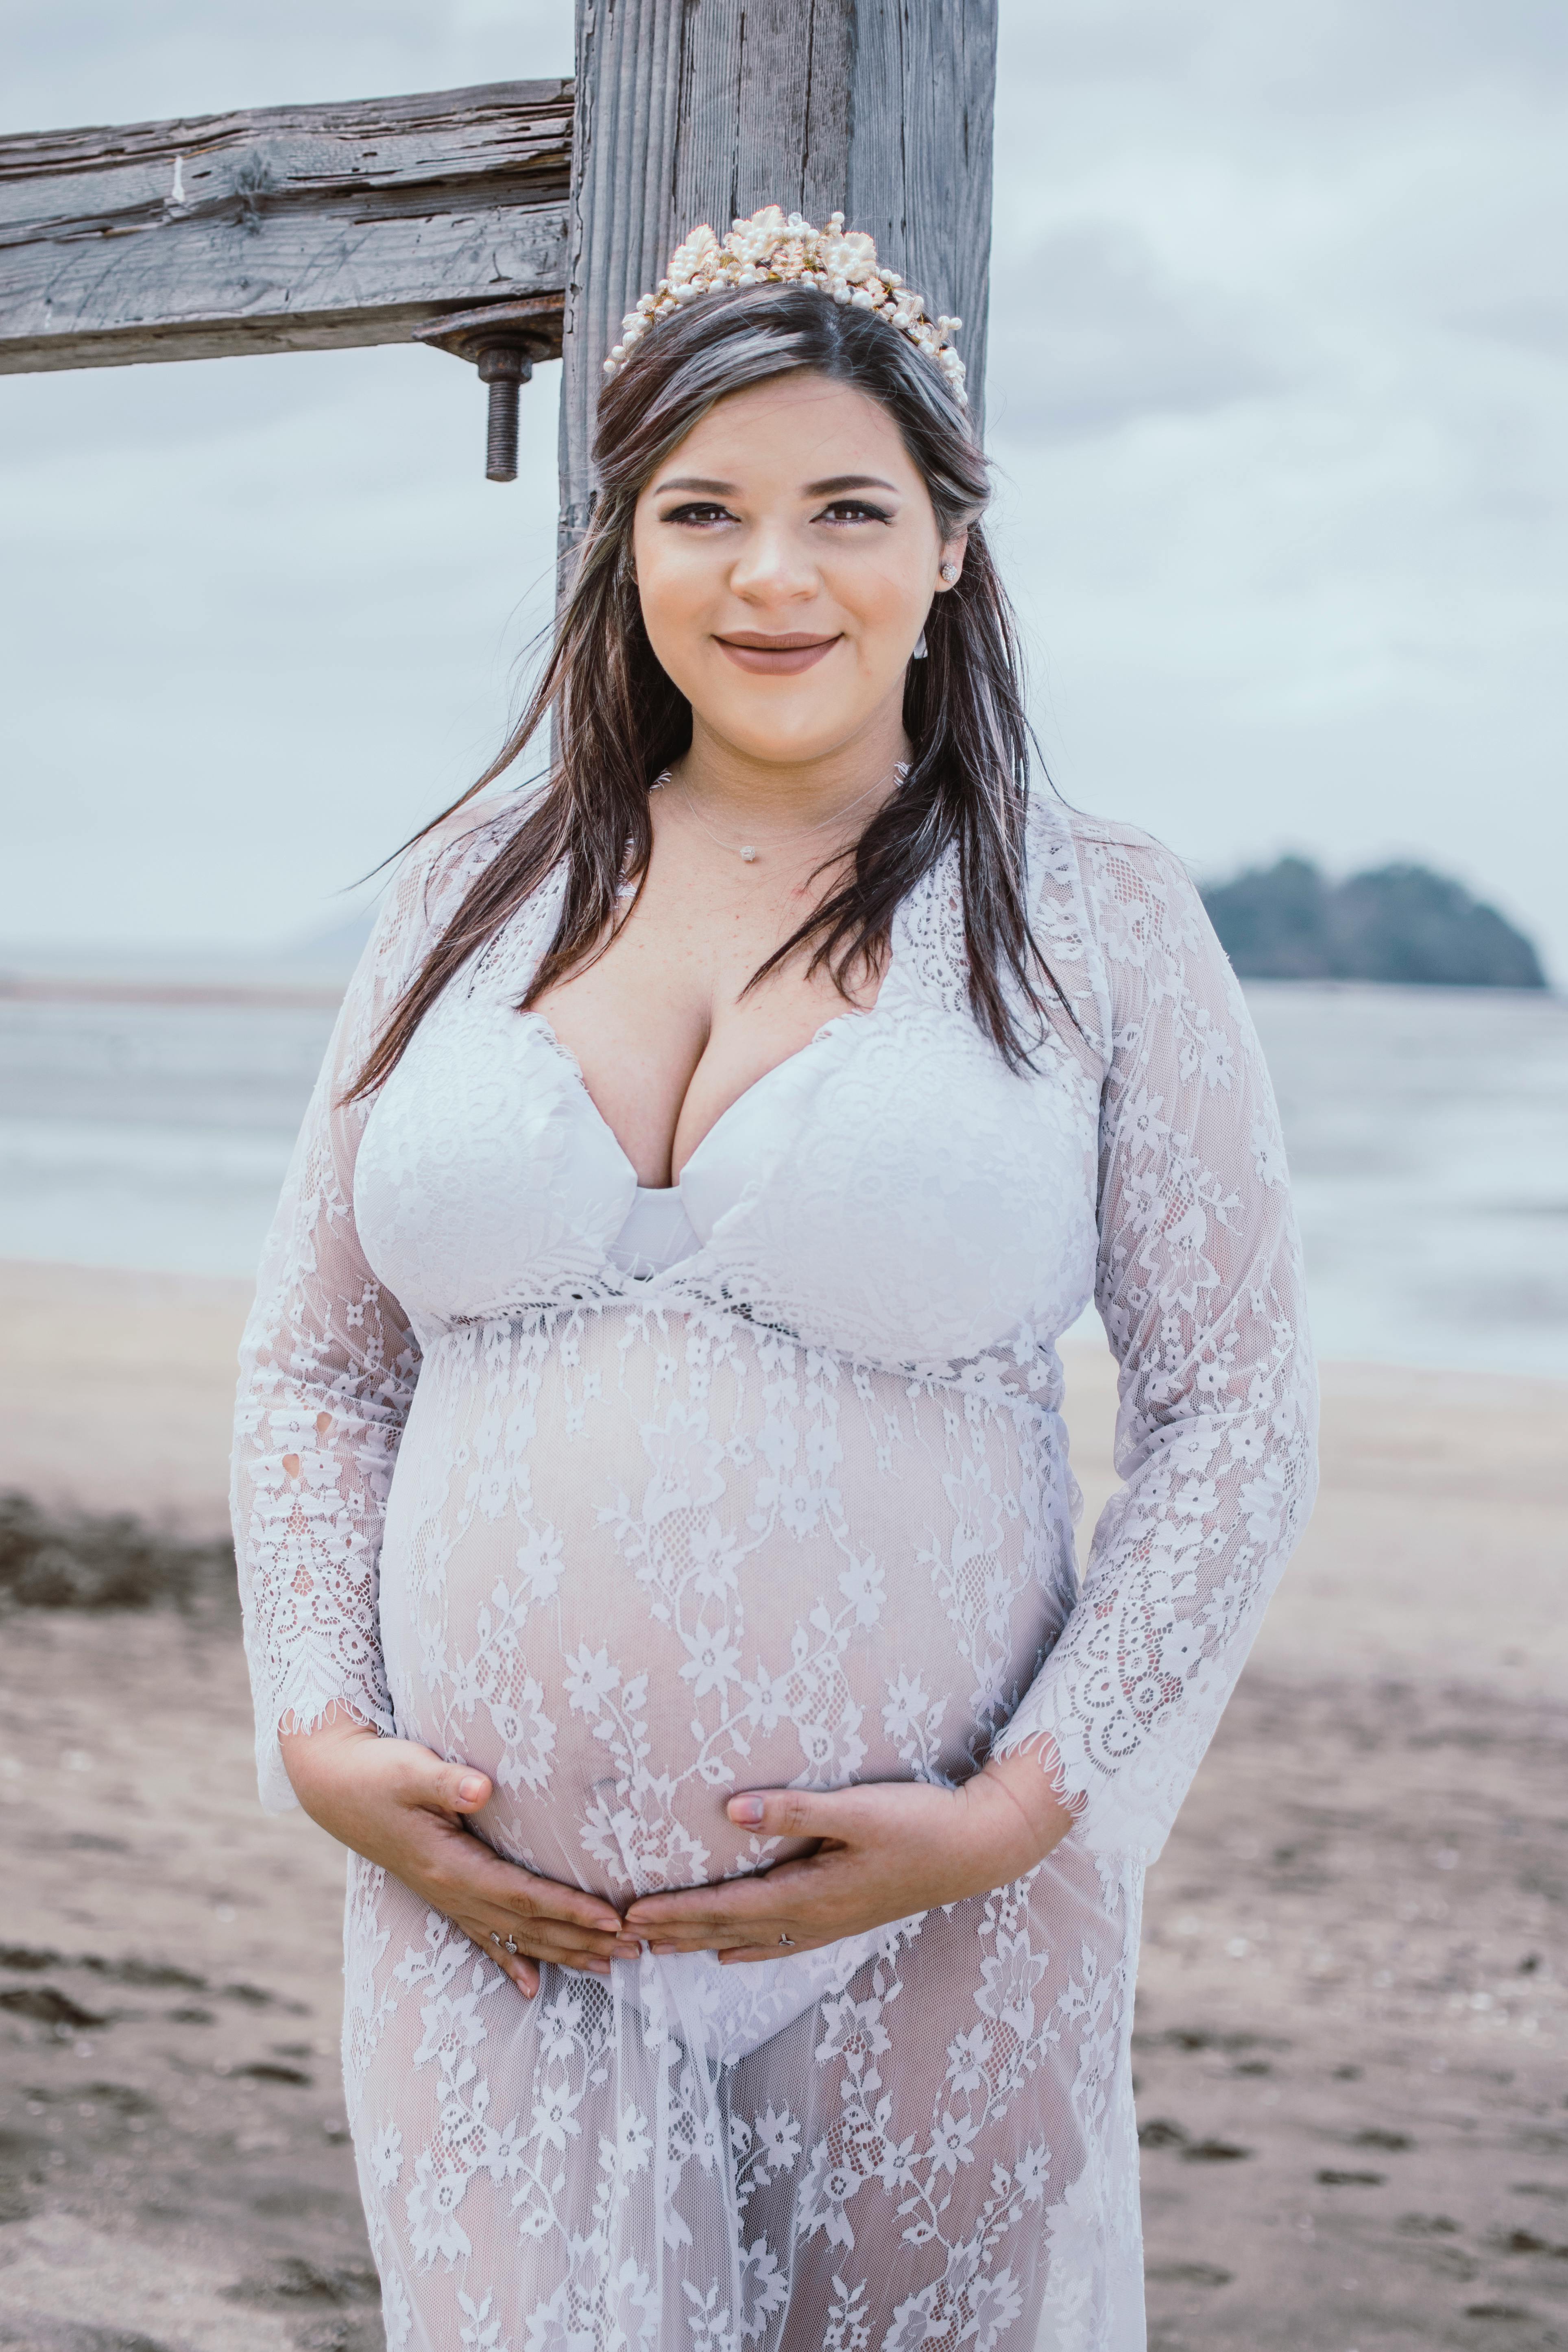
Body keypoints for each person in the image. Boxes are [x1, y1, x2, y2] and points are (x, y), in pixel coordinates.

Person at [231, 207, 1317, 2352]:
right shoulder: (470, 896)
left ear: (951, 551)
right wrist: (320, 1728)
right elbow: (318, 1372)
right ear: (623, 545)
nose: (773, 574)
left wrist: (1018, 1808)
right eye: (703, 510)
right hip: (490, 1923)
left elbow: (1233, 1411)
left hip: (929, 1927)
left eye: (847, 508)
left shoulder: (1092, 919)